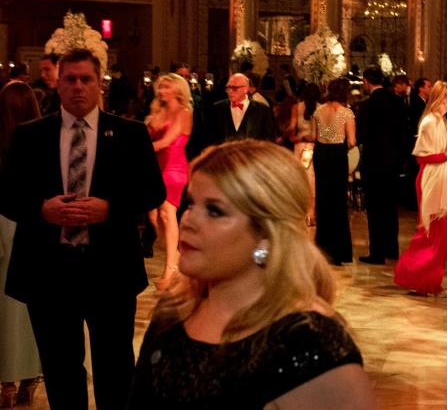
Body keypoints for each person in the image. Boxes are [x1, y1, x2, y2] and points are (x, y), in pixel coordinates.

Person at [129, 140, 377, 409]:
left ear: (266, 234)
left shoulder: (310, 344)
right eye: (191, 203)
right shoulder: (173, 311)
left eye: (214, 210)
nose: (188, 220)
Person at [0, 48, 166, 410]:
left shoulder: (129, 134)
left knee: (115, 367)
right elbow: (7, 193)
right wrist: (41, 209)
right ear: (57, 84)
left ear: (99, 84)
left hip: (109, 267)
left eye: (86, 79)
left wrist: (111, 208)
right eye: (70, 79)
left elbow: (154, 190)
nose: (78, 86)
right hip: (48, 268)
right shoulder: (31, 135)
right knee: (61, 370)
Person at [394, 81, 447, 295]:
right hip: (432, 178)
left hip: (443, 177)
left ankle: (429, 281)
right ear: (443, 98)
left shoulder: (443, 122)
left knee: (443, 232)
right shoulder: (429, 122)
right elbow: (422, 157)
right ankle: (418, 277)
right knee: (434, 230)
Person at [0, 82, 43, 408]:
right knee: (32, 311)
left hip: (4, 224)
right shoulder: (41, 141)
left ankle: (7, 384)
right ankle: (31, 379)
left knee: (5, 311)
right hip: (35, 228)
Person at [146, 73, 194, 290]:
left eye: (166, 87)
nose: (161, 90)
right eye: (160, 87)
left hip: (173, 167)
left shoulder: (185, 112)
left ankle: (170, 269)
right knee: (154, 215)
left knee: (166, 213)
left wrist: (140, 148)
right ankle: (177, 259)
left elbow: (167, 141)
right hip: (156, 166)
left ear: (178, 89)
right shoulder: (158, 111)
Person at [355, 67, 408, 264]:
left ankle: (377, 252)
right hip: (393, 162)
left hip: (374, 162)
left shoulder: (368, 105)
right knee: (390, 207)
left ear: (367, 81)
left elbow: (361, 134)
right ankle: (392, 249)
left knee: (375, 209)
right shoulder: (398, 102)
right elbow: (404, 132)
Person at [313, 79, 356, 266]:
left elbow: (315, 136)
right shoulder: (347, 113)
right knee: (338, 202)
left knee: (323, 200)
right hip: (338, 155)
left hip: (321, 153)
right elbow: (352, 141)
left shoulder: (318, 110)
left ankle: (322, 247)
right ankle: (339, 251)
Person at [206, 73, 277, 145]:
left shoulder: (262, 110)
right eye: (228, 88)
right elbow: (209, 137)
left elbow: (269, 139)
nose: (230, 91)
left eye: (234, 88)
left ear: (246, 89)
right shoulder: (217, 108)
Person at [290, 82, 321, 226]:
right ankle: (311, 214)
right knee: (312, 179)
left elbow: (291, 128)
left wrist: (295, 137)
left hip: (300, 145)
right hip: (314, 147)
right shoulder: (321, 108)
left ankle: (300, 213)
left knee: (300, 179)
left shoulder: (296, 107)